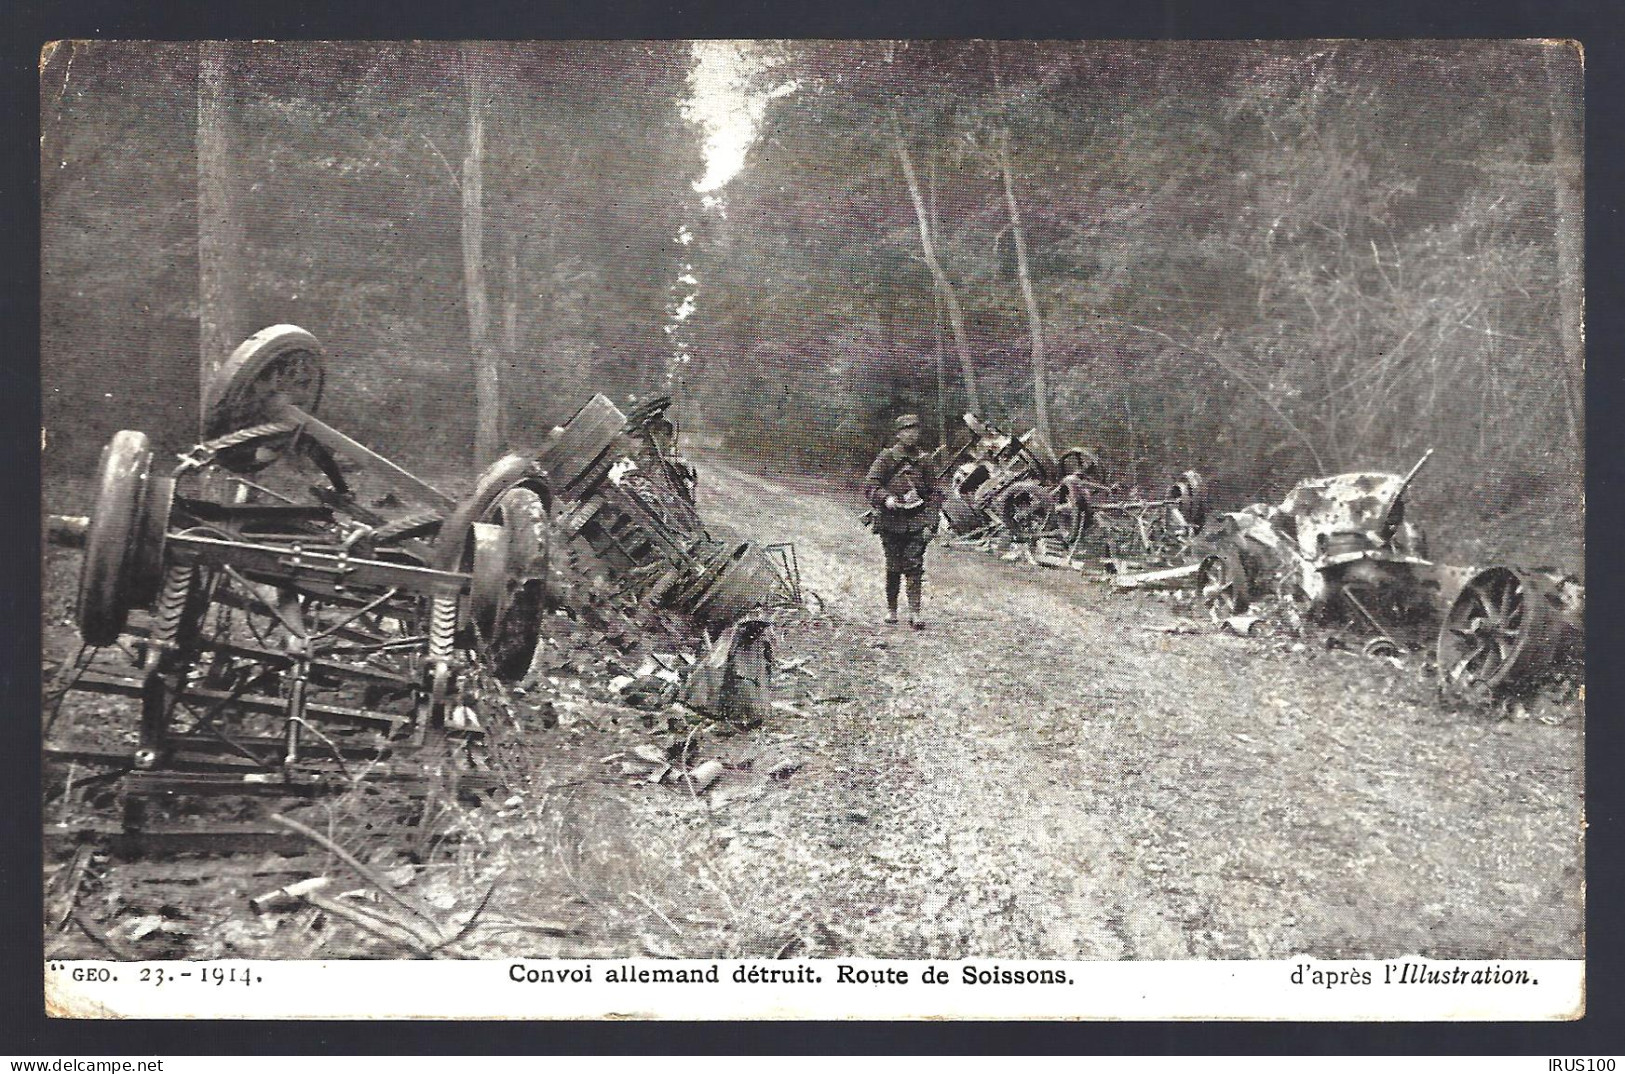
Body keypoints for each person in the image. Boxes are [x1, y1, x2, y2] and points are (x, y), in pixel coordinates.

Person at [864, 412, 942, 629]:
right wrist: (886, 498)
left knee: (915, 566)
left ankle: (915, 613)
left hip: (917, 521)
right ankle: (891, 610)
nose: (911, 435)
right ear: (898, 434)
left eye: (915, 430)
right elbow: (870, 485)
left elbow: (935, 494)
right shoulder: (887, 458)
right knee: (892, 567)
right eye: (906, 430)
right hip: (891, 521)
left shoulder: (924, 460)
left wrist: (931, 524)